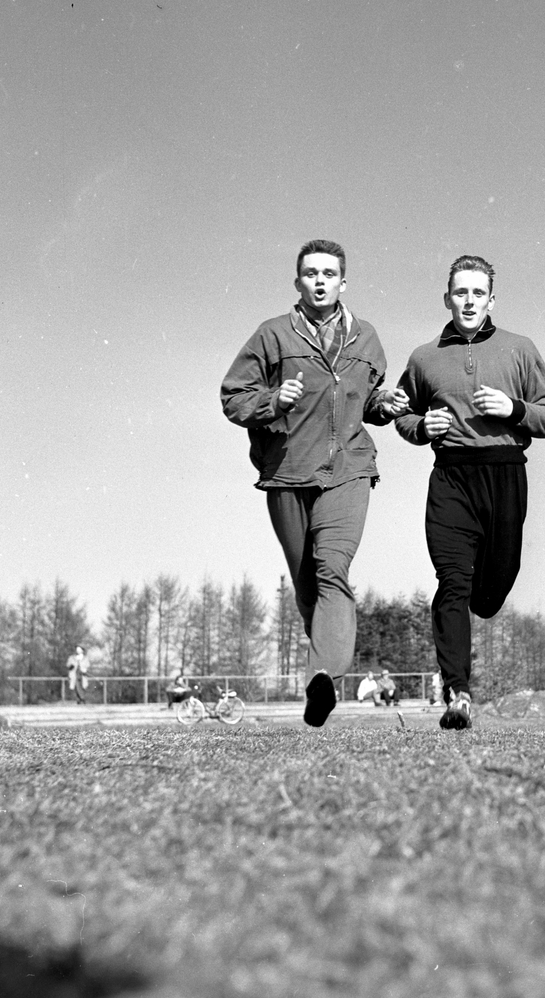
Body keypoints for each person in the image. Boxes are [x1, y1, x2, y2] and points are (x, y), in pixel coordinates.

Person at [221, 240, 410, 728]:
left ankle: (322, 676)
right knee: (307, 585)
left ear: (343, 282)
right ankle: (321, 669)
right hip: (287, 471)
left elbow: (363, 403)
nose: (320, 281)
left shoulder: (366, 337)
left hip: (348, 469)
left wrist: (383, 406)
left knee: (332, 568)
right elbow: (233, 398)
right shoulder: (271, 335)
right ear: (298, 283)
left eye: (330, 273)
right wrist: (272, 400)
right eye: (311, 274)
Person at [396, 255, 545, 730]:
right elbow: (402, 415)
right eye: (460, 293)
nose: (468, 301)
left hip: (505, 473)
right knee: (452, 581)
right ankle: (457, 691)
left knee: (488, 595)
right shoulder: (424, 358)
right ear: (447, 298)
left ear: (492, 299)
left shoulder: (520, 349)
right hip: (450, 475)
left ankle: (478, 611)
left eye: (477, 293)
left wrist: (513, 408)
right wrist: (421, 426)